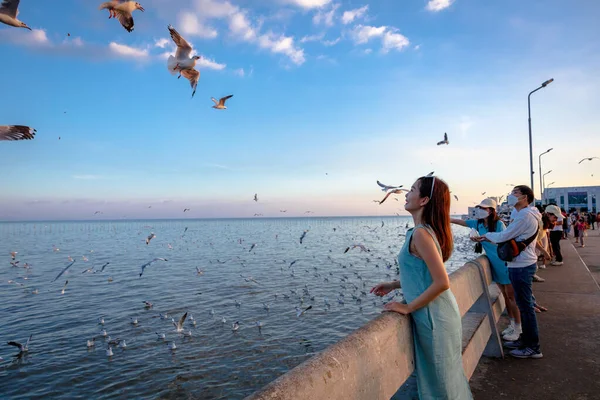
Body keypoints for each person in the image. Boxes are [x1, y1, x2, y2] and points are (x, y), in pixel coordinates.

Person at [371, 175, 472, 399]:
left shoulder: (421, 233)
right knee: (444, 380)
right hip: (437, 315)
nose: (406, 194)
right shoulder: (424, 231)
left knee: (440, 386)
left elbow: (442, 282)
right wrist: (394, 284)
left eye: (413, 190)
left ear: (424, 200)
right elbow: (423, 273)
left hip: (434, 318)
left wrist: (407, 308)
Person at [475, 185, 543, 359]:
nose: (511, 196)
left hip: (521, 265)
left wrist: (485, 236)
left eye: (516, 193)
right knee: (523, 304)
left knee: (526, 307)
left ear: (525, 197)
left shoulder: (525, 216)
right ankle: (524, 340)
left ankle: (533, 347)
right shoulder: (519, 214)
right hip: (518, 263)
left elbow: (505, 236)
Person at [450, 198, 521, 341]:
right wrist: (441, 215)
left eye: (484, 208)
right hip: (494, 263)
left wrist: (483, 238)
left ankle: (518, 328)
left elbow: (503, 239)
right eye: (480, 207)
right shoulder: (478, 223)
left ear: (491, 210)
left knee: (512, 297)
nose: (481, 210)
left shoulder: (499, 224)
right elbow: (460, 222)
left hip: (505, 262)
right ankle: (512, 324)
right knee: (505, 295)